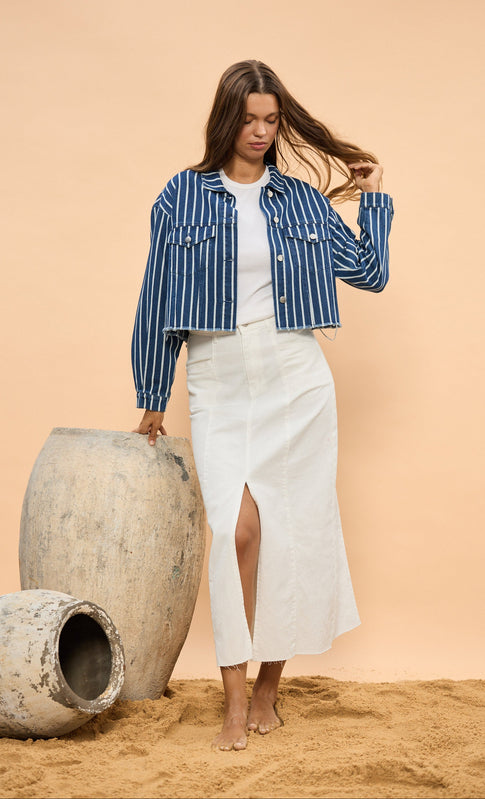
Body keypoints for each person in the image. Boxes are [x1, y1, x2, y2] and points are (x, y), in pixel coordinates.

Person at [131, 59, 394, 751]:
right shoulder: (181, 196)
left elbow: (369, 273)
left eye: (271, 120)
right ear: (226, 119)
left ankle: (268, 689)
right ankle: (232, 699)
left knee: (291, 532)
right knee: (235, 532)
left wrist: (373, 199)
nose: (259, 131)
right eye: (248, 118)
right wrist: (152, 392)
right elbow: (156, 297)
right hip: (217, 376)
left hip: (294, 376)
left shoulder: (302, 200)